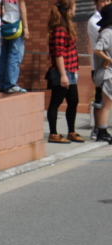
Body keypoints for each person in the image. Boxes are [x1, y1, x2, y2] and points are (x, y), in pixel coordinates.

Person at [46, 0, 84, 143]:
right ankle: (53, 134)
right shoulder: (59, 30)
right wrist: (63, 75)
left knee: (73, 101)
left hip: (71, 70)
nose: (75, 10)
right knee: (56, 102)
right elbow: (58, 53)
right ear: (68, 10)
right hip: (62, 71)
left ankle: (71, 131)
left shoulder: (67, 27)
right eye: (74, 7)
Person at [89, 0, 112, 141]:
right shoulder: (108, 33)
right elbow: (97, 49)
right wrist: (108, 59)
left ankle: (102, 131)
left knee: (108, 104)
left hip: (109, 73)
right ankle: (102, 131)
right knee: (107, 104)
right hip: (108, 73)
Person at [0, 0, 29, 93]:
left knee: (4, 55)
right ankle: (10, 84)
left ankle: (1, 84)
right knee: (15, 54)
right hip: (16, 23)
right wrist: (26, 27)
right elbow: (22, 7)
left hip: (6, 22)